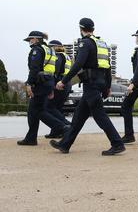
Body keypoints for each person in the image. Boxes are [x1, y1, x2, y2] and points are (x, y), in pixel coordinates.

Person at [50, 18, 125, 155]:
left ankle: (117, 143)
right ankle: (65, 144)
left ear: (81, 28)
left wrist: (64, 81)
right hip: (99, 82)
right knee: (78, 116)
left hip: (91, 84)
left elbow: (78, 64)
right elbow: (108, 67)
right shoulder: (101, 44)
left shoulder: (85, 43)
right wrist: (107, 86)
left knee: (100, 116)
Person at [17, 31, 67, 146]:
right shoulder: (49, 50)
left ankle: (63, 128)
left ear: (35, 39)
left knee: (38, 111)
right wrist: (51, 88)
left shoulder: (37, 50)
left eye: (30, 39)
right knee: (33, 111)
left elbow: (34, 69)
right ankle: (31, 138)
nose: (29, 42)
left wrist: (29, 84)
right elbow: (54, 70)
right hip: (47, 83)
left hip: (39, 83)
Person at [44, 39, 72, 138]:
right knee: (58, 108)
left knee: (49, 107)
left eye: (50, 47)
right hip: (67, 83)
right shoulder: (67, 56)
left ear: (55, 47)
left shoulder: (57, 56)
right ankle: (56, 132)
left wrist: (50, 86)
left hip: (59, 84)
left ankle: (67, 125)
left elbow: (55, 72)